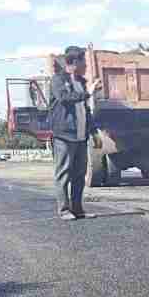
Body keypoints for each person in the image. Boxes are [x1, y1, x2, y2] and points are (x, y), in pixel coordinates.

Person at [50, 46, 102, 220]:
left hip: (81, 135)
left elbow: (85, 110)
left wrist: (94, 131)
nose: (86, 65)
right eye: (83, 61)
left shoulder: (81, 82)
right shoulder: (58, 80)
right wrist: (88, 93)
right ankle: (64, 210)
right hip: (64, 135)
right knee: (63, 173)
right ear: (73, 62)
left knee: (79, 174)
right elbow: (64, 98)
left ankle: (78, 210)